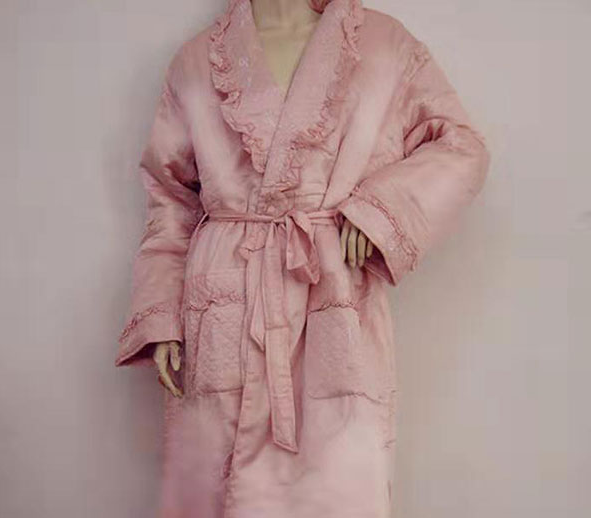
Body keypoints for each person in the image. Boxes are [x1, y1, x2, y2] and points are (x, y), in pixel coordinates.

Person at [115, 1, 490, 516]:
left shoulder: (382, 45)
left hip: (331, 299)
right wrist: (162, 315)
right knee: (215, 489)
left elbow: (462, 147)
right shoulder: (199, 60)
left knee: (337, 488)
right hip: (224, 310)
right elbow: (170, 196)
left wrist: (380, 211)